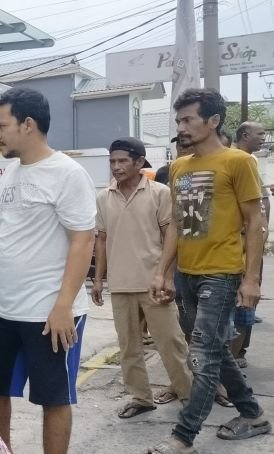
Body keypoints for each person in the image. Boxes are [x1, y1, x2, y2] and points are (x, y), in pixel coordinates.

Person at [148, 88, 271, 454]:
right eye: (179, 120)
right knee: (213, 348)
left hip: (222, 272)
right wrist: (163, 271)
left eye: (188, 119)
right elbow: (176, 225)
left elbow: (256, 222)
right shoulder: (180, 168)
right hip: (187, 272)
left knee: (201, 354)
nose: (181, 127)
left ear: (214, 120)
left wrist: (250, 280)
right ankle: (252, 413)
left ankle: (183, 437)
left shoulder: (238, 162)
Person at [0, 87, 96, 454]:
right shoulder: (10, 173)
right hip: (2, 308)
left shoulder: (67, 174)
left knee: (53, 398)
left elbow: (83, 241)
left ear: (28, 125)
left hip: (48, 313)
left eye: (1, 126)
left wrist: (63, 305)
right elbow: (4, 236)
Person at [91, 137, 192, 419]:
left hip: (154, 283)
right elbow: (101, 240)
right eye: (112, 161)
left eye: (123, 161)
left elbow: (170, 236)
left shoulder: (159, 193)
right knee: (128, 347)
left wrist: (167, 277)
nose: (116, 167)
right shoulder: (103, 197)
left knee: (171, 344)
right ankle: (141, 397)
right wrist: (99, 279)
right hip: (120, 284)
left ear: (139, 163)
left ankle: (189, 396)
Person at [232, 121, 271, 368]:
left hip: (252, 243)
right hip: (236, 249)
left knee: (246, 302)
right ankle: (233, 355)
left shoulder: (250, 161)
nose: (263, 139)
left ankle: (238, 352)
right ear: (245, 135)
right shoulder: (238, 161)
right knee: (238, 304)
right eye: (260, 134)